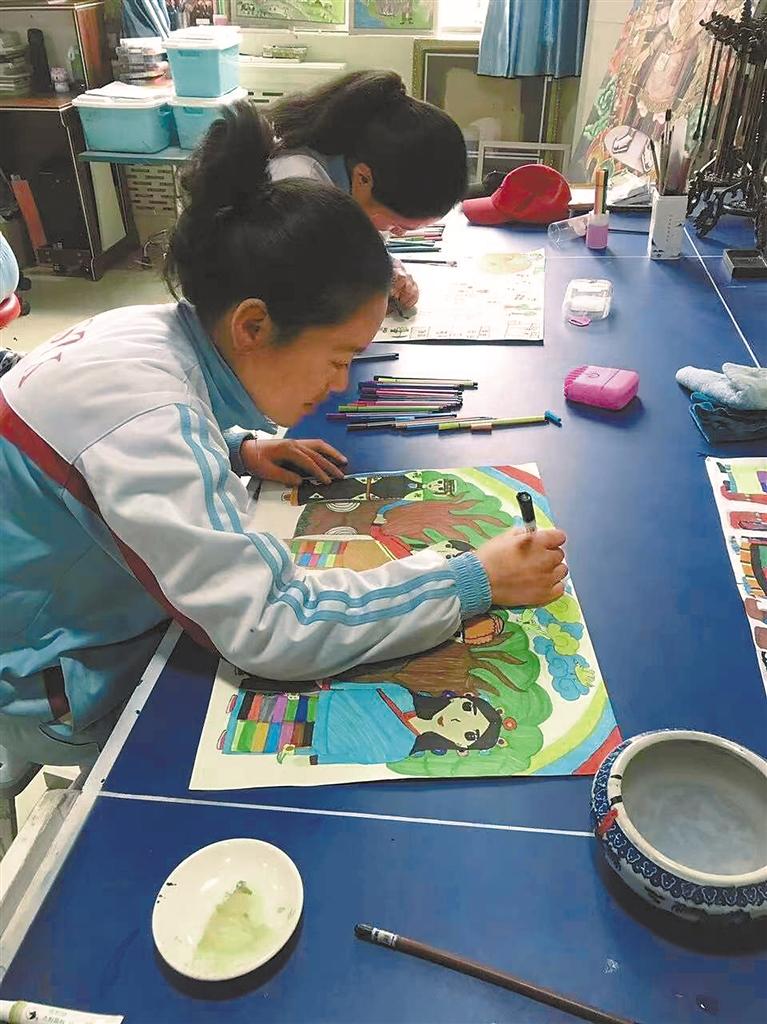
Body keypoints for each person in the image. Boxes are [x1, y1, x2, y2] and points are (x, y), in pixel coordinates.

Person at [0, 103, 567, 769]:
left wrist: (236, 447)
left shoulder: (143, 329)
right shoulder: (146, 417)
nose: (340, 384)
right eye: (337, 358)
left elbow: (106, 454)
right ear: (253, 326)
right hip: (56, 688)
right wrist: (472, 579)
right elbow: (273, 624)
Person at [267, 70, 469, 310]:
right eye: (398, 226)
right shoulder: (298, 184)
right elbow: (303, 284)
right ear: (363, 178)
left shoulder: (355, 156)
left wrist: (387, 269)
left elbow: (347, 248)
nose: (398, 235)